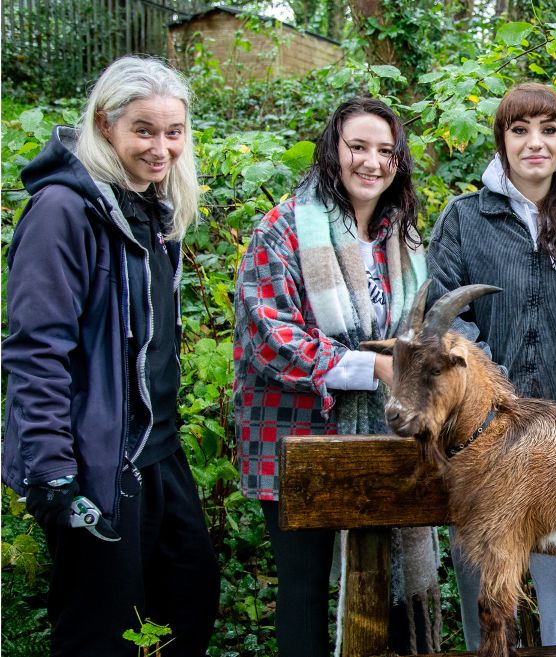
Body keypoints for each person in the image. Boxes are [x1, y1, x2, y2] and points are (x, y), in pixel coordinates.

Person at [2, 55, 219, 655]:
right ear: (105, 125)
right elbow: (36, 349)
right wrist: (52, 472)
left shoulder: (151, 207)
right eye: (143, 131)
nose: (162, 148)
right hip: (93, 460)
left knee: (188, 601)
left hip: (158, 452)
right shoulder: (62, 211)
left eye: (174, 132)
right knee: (104, 632)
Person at [233, 97, 439, 656]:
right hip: (292, 437)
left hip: (383, 432)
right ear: (333, 150)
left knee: (377, 577)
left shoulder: (403, 238)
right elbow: (272, 339)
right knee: (303, 591)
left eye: (386, 151)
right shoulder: (283, 229)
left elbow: (417, 328)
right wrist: (376, 366)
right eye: (358, 147)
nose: (372, 162)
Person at [426, 82, 556, 649]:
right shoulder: (465, 217)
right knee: (483, 569)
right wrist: (490, 385)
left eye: (549, 130)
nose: (535, 143)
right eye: (519, 130)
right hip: (481, 436)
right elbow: (443, 313)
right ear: (501, 141)